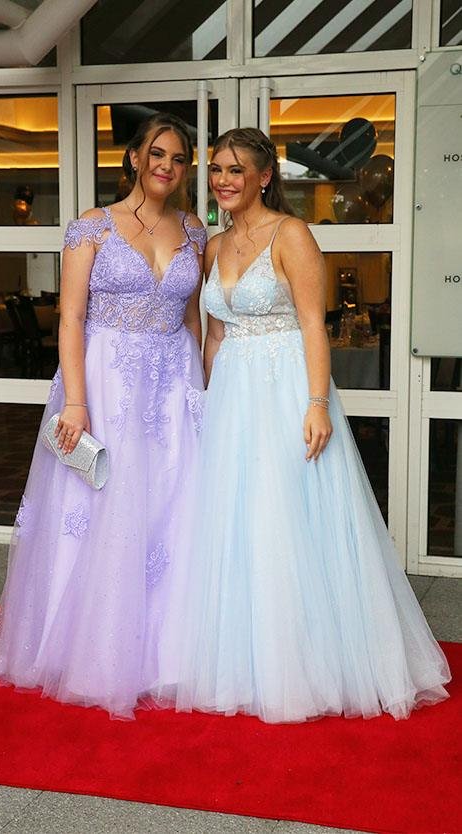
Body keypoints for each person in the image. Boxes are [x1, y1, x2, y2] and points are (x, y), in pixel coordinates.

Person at [163, 128, 451, 724]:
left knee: (287, 515)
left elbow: (313, 325)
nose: (223, 180)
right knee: (236, 520)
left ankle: (306, 662)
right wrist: (208, 401)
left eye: (236, 170)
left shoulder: (291, 234)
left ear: (264, 176)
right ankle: (244, 660)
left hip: (286, 387)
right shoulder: (213, 247)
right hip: (233, 395)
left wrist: (317, 403)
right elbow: (215, 335)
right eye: (216, 169)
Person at [0, 113, 207, 719]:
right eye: (157, 154)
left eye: (178, 158)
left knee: (170, 507)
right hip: (105, 381)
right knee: (100, 505)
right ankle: (90, 650)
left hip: (173, 381)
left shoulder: (194, 230)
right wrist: (76, 402)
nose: (166, 166)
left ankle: (168, 656)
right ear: (134, 158)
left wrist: (203, 387)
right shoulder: (91, 227)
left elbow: (191, 317)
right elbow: (71, 318)